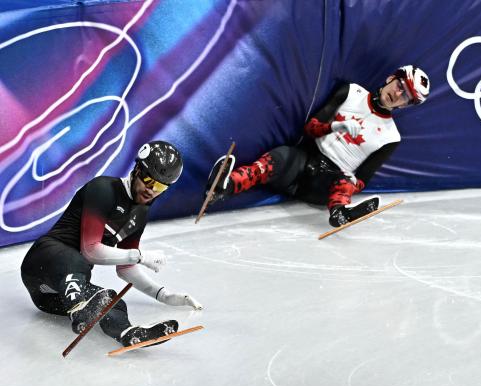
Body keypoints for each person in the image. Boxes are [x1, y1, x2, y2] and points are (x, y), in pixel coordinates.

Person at [21, 141, 203, 348]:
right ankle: (80, 308)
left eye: (160, 186)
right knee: (76, 260)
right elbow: (90, 251)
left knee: (111, 300)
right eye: (147, 179)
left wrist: (163, 294)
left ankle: (127, 333)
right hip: (41, 263)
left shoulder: (140, 213)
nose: (151, 189)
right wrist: (140, 256)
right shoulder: (104, 189)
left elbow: (125, 269)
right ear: (136, 170)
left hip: (49, 297)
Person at [204, 65, 430, 227]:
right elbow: (310, 128)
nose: (398, 94)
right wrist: (335, 127)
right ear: (391, 78)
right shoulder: (351, 92)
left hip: (324, 187)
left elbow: (362, 179)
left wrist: (350, 185)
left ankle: (340, 213)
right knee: (279, 157)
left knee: (347, 181)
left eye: (406, 97)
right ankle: (225, 186)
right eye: (400, 85)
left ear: (407, 105)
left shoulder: (392, 137)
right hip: (302, 162)